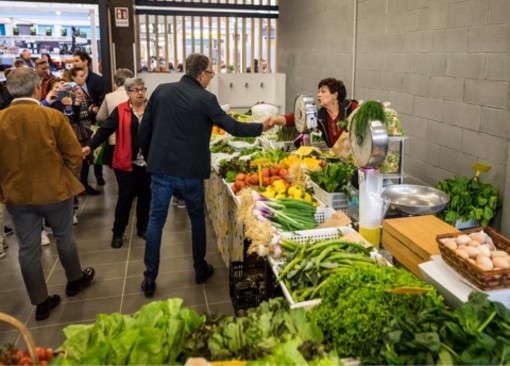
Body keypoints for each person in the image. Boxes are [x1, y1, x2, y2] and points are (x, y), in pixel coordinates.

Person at [138, 53, 275, 297]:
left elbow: (144, 128)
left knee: (156, 221)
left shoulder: (161, 91)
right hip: (190, 171)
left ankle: (149, 278)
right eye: (211, 73)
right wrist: (261, 126)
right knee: (196, 218)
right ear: (202, 74)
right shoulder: (205, 98)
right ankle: (200, 269)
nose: (211, 77)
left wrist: (152, 158)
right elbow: (232, 127)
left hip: (161, 168)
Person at [0, 67, 95, 321]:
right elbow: (74, 154)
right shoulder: (52, 117)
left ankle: (40, 302)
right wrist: (69, 178)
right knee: (64, 237)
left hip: (17, 196)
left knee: (27, 248)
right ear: (36, 88)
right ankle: (74, 279)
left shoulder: (1, 119)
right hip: (55, 191)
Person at [82, 77, 151, 249]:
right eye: (136, 90)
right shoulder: (121, 110)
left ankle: (143, 228)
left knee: (145, 197)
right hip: (125, 162)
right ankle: (118, 232)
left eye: (142, 89)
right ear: (128, 93)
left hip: (148, 162)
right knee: (125, 198)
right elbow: (105, 130)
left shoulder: (153, 109)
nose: (140, 92)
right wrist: (90, 146)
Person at [267, 77, 359, 148]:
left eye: (323, 92)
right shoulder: (320, 116)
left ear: (335, 95)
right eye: (318, 92)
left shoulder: (351, 108)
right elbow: (296, 118)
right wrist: (274, 120)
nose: (318, 95)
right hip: (338, 157)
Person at [72, 50, 107, 186]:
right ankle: (83, 181)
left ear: (85, 61)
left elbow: (102, 99)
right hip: (79, 123)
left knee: (96, 146)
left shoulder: (97, 80)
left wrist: (94, 110)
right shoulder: (71, 83)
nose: (74, 63)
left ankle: (99, 175)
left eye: (77, 60)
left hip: (94, 119)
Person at [96, 68, 134, 166]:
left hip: (114, 139)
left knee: (118, 167)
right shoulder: (136, 95)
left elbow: (100, 117)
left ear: (116, 81)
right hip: (133, 138)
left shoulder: (109, 97)